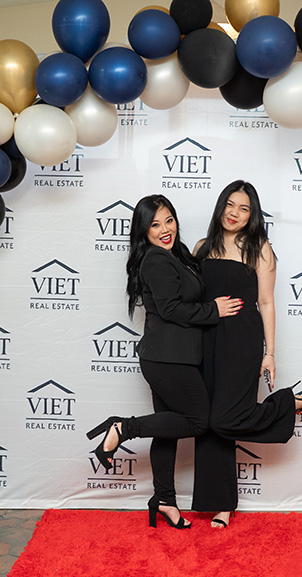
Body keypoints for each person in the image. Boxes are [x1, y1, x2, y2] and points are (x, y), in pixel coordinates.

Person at [86, 194, 243, 530]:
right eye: (155, 224)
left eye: (168, 220)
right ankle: (123, 428)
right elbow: (171, 309)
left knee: (167, 430)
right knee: (198, 421)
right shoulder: (156, 259)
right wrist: (214, 310)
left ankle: (165, 500)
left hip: (168, 356)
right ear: (143, 230)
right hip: (169, 358)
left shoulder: (176, 254)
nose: (164, 229)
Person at [191, 180, 302, 528]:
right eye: (230, 204)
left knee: (224, 418)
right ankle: (220, 503)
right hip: (204, 338)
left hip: (242, 339)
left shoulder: (259, 248)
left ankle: (286, 403)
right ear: (220, 206)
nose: (235, 213)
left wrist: (269, 353)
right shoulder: (201, 247)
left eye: (244, 208)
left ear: (252, 215)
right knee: (207, 422)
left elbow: (266, 302)